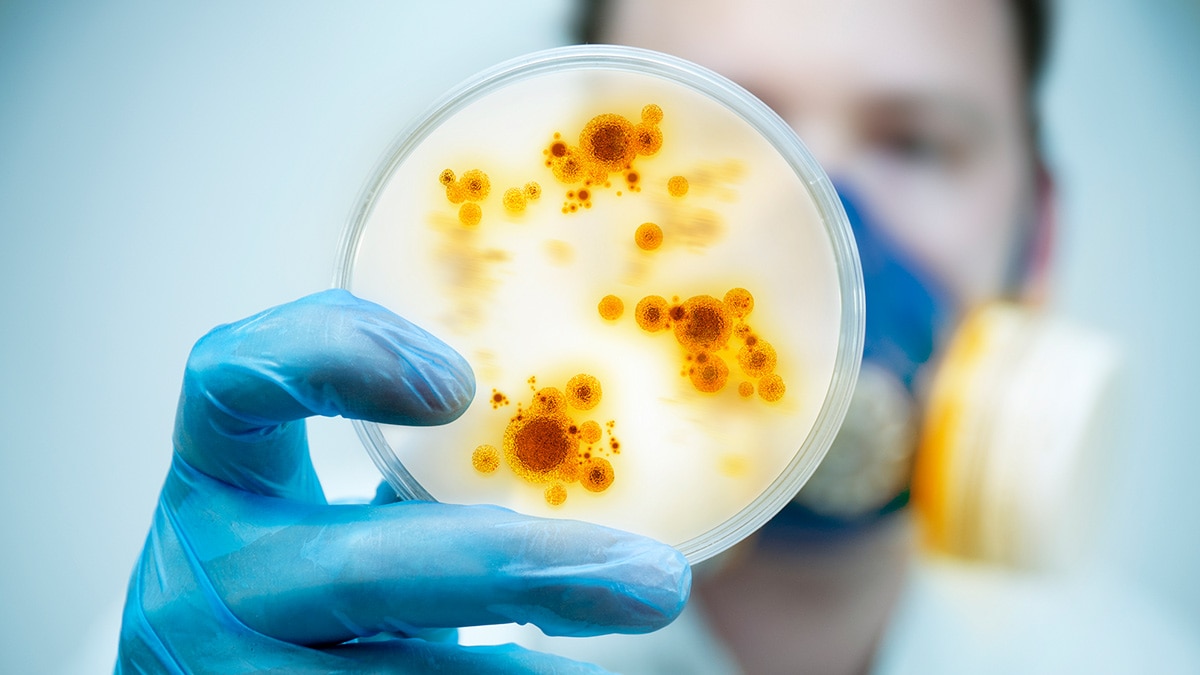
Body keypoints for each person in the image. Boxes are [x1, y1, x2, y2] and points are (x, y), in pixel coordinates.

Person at [115, 0, 1053, 672]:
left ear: (1038, 238)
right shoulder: (297, 637)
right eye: (717, 126)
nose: (815, 223)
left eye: (918, 142)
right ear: (570, 202)